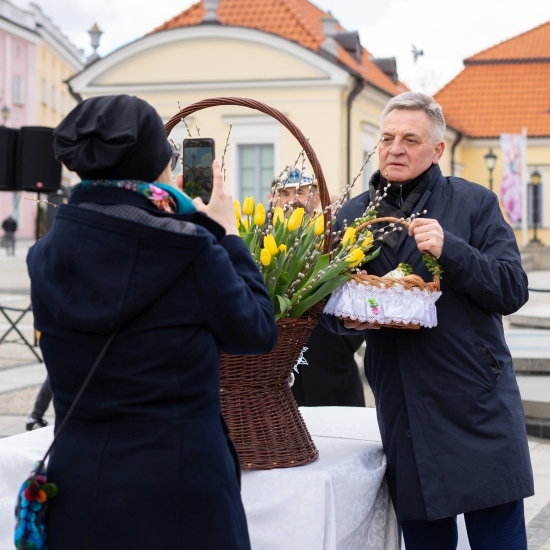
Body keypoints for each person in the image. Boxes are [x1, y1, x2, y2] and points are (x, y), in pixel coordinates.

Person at [26, 94, 278, 550]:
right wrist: (229, 233)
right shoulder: (190, 248)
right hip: (179, 484)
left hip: (81, 482)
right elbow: (257, 331)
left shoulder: (44, 253)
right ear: (156, 165)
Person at [323, 91, 533, 548]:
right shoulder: (353, 215)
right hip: (405, 406)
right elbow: (329, 308)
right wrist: (348, 322)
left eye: (410, 139)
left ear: (437, 150)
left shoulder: (474, 203)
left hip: (478, 400)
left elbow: (513, 289)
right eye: (387, 137)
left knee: (500, 540)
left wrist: (452, 249)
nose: (395, 148)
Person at [274, 168, 366, 407]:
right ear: (272, 198)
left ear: (315, 198)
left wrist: (341, 341)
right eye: (284, 193)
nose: (292, 200)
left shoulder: (335, 240)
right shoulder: (258, 242)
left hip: (332, 373)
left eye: (300, 192)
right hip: (277, 374)